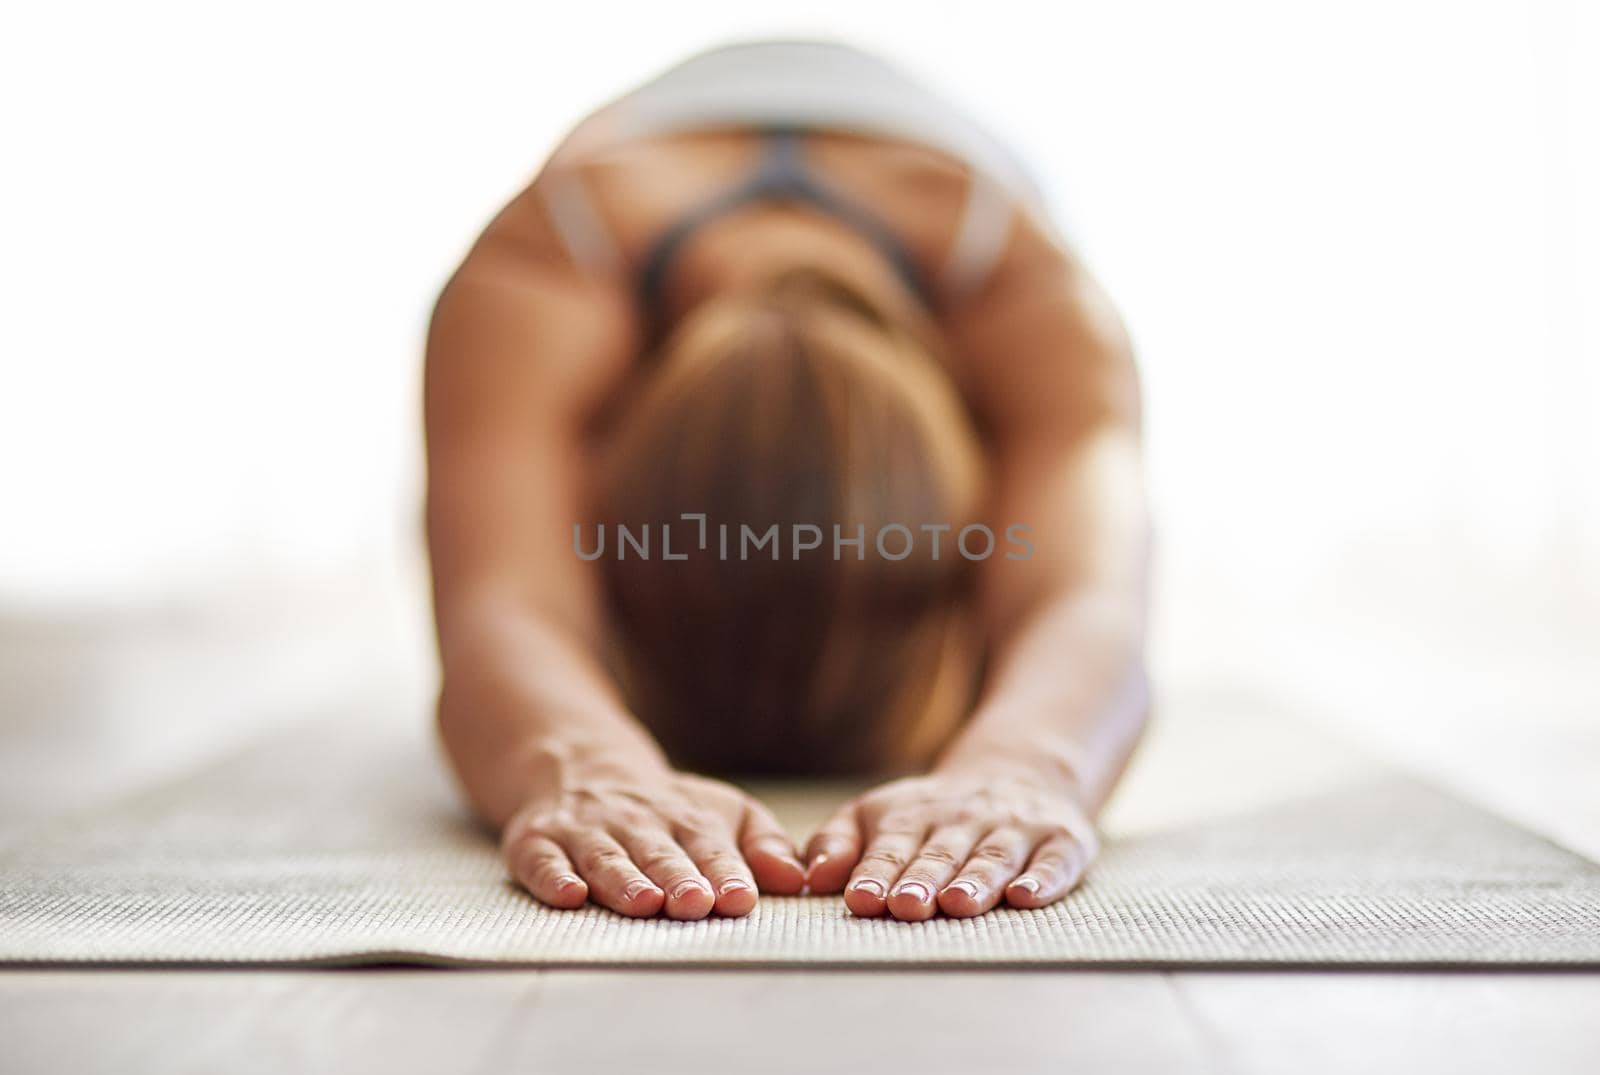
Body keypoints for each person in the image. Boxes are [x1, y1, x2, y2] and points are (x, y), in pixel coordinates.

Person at [425, 40, 1150, 922]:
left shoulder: (1011, 276)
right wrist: (586, 759)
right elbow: (501, 606)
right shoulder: (548, 259)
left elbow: (1088, 603)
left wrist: (1025, 765)